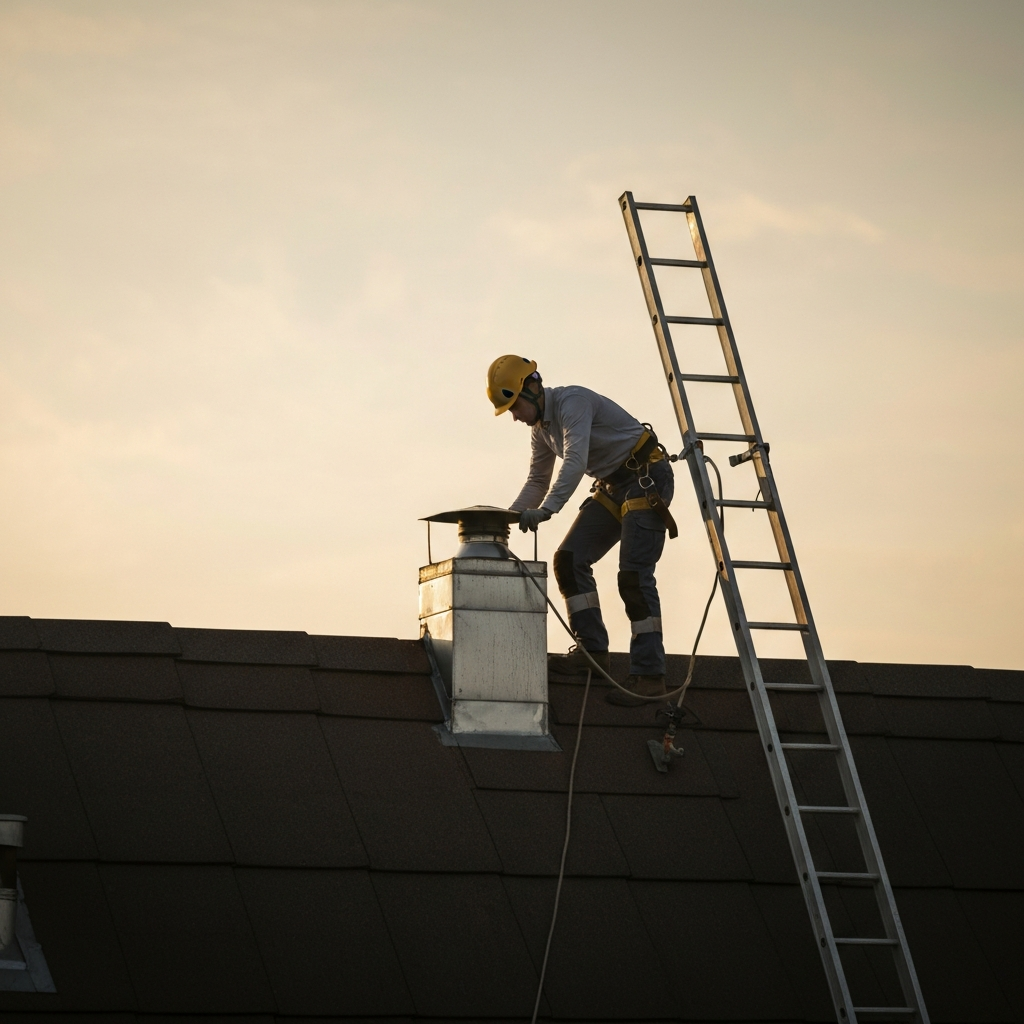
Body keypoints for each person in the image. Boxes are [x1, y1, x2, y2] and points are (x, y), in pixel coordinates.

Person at [487, 354, 677, 707]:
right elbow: (537, 480)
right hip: (613, 484)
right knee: (569, 559)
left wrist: (547, 510)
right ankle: (591, 655)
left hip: (646, 478)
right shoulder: (541, 431)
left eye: (514, 406)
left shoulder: (572, 402)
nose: (513, 416)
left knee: (634, 576)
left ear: (531, 389)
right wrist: (508, 521)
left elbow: (575, 459)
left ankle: (650, 675)